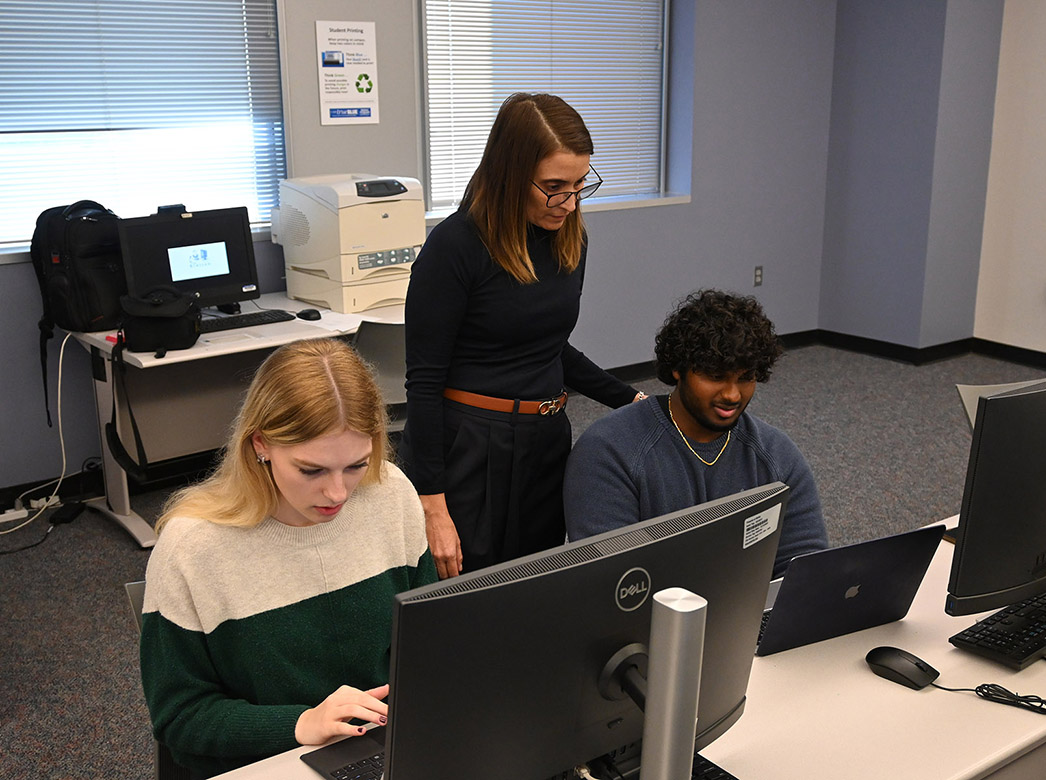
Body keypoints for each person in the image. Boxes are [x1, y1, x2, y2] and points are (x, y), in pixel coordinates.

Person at [139, 339, 437, 778]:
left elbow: (426, 643)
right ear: (261, 445)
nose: (337, 493)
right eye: (311, 470)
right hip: (269, 762)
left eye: (356, 464)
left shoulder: (390, 494)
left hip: (381, 746)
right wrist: (302, 723)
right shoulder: (192, 547)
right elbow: (179, 716)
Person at [403, 92, 644, 579]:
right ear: (511, 173)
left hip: (545, 438)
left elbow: (549, 347)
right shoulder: (455, 246)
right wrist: (432, 505)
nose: (570, 202)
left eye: (580, 185)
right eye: (554, 186)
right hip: (470, 448)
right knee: (467, 595)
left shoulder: (568, 236)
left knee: (535, 586)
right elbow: (423, 383)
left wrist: (633, 400)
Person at [564, 289, 828, 579]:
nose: (732, 394)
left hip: (748, 617)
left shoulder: (776, 456)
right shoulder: (608, 451)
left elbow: (805, 569)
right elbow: (612, 582)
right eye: (715, 377)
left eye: (746, 378)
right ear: (679, 369)